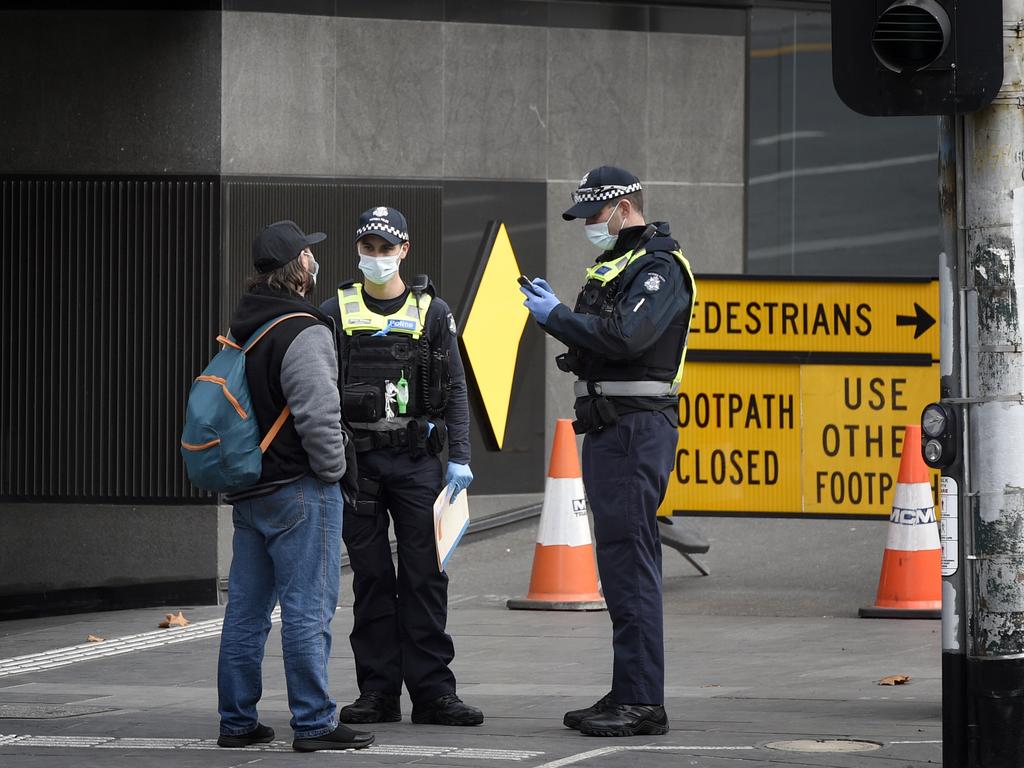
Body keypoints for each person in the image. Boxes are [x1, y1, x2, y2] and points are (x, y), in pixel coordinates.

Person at [520, 167, 696, 737]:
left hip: (632, 429)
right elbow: (599, 337)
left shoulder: (660, 268)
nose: (589, 227)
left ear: (623, 207)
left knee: (630, 563)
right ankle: (629, 689)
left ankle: (643, 701)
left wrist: (559, 318)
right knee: (621, 563)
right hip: (610, 429)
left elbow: (627, 339)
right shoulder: (615, 264)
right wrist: (562, 323)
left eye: (594, 215)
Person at [320, 206, 483, 726]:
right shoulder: (334, 310)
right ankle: (378, 693)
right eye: (368, 248)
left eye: (387, 249)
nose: (377, 258)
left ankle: (435, 694)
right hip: (359, 465)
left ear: (405, 250)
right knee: (370, 579)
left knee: (425, 577)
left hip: (417, 463)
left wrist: (460, 457)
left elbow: (456, 386)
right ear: (357, 250)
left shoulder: (433, 313)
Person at [217, 220, 374, 753]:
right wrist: (332, 473)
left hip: (250, 487)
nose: (315, 259)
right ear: (298, 267)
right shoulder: (302, 327)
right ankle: (314, 722)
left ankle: (236, 721)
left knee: (246, 612)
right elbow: (317, 414)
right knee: (308, 610)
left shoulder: (245, 325)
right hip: (299, 489)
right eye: (310, 253)